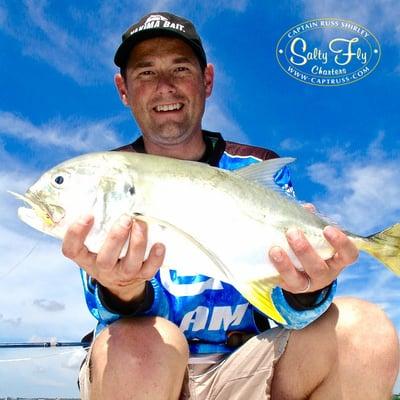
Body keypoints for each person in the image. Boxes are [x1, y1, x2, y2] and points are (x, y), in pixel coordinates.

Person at [62, 12, 399, 400]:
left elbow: (291, 310)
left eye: (181, 69)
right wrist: (123, 288)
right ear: (124, 89)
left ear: (207, 80)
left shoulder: (256, 168)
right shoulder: (105, 176)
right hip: (141, 373)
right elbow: (108, 313)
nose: (165, 87)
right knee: (145, 346)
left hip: (247, 369)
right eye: (146, 73)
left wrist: (306, 291)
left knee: (366, 331)